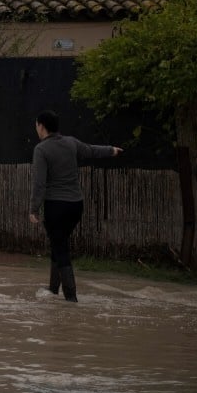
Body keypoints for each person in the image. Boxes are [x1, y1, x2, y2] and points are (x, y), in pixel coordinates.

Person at [28, 109, 123, 302]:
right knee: (58, 243)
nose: (36, 128)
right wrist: (112, 150)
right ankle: (53, 290)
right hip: (75, 206)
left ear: (42, 126)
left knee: (60, 247)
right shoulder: (71, 142)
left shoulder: (41, 149)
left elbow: (39, 182)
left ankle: (71, 299)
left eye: (37, 125)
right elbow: (91, 150)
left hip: (56, 206)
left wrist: (33, 209)